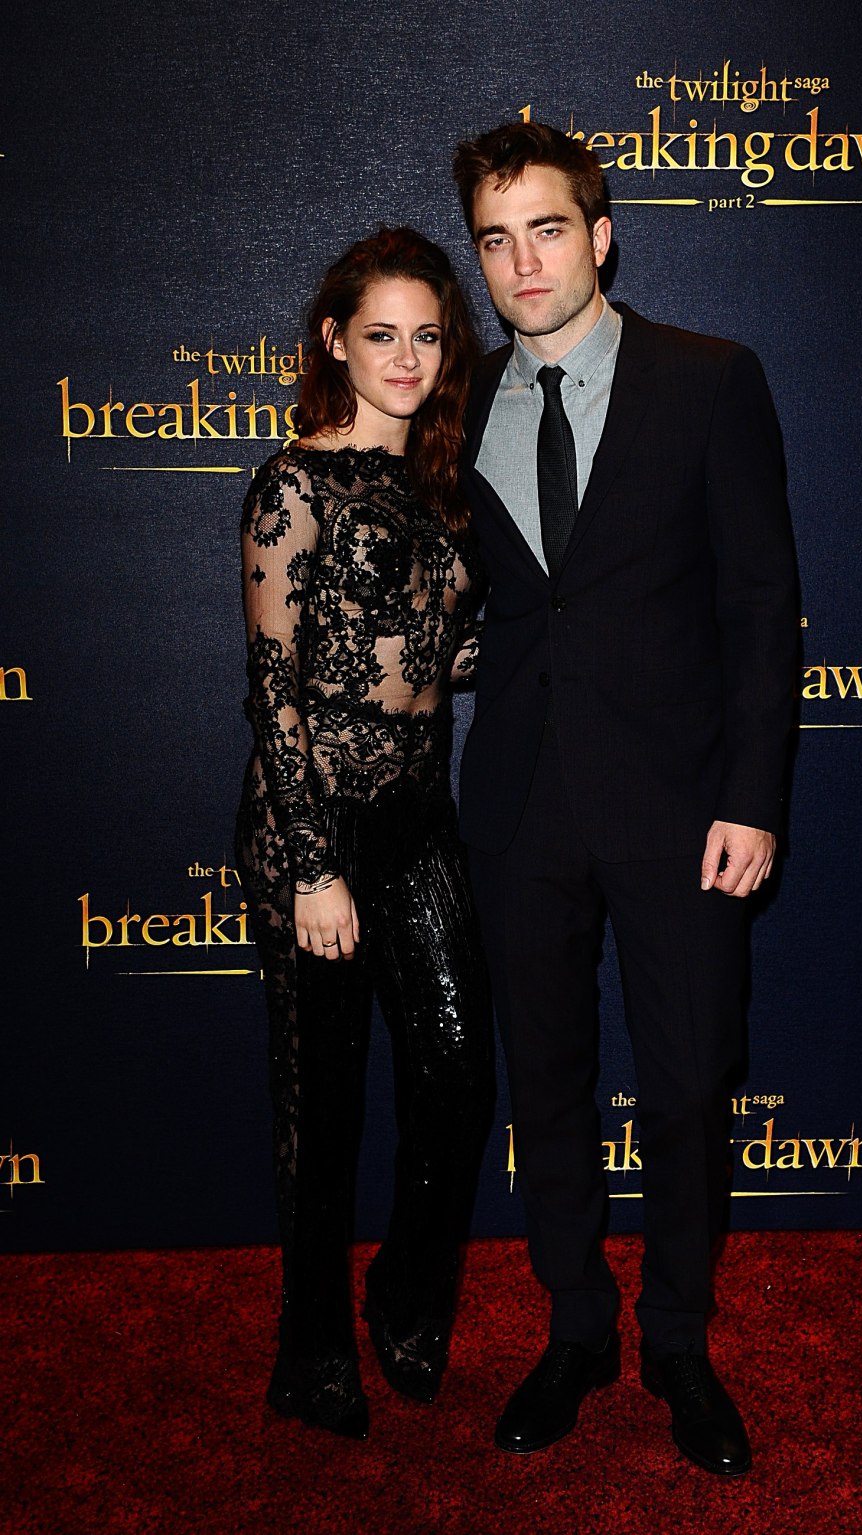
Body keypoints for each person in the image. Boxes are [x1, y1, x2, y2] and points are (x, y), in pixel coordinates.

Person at [451, 122, 799, 1474]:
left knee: (687, 1082)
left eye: (547, 229)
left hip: (681, 804)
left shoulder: (709, 379)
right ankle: (578, 1327)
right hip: (519, 803)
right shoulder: (459, 404)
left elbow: (761, 605)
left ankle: (678, 1342)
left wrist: (752, 797)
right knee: (542, 1081)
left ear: (599, 236)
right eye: (496, 239)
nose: (523, 263)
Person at [235, 227, 493, 1441]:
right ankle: (311, 1350)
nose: (404, 358)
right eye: (380, 334)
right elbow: (271, 686)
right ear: (334, 340)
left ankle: (402, 1293)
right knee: (322, 1106)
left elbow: (440, 655)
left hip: (419, 818)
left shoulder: (444, 486)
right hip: (316, 822)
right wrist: (312, 865)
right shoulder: (294, 484)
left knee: (456, 1072)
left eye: (426, 336)